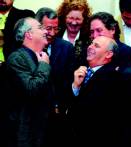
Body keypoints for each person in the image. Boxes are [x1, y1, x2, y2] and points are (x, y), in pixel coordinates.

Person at [67, 36, 122, 146]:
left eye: (96, 46)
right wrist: (75, 87)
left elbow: (90, 110)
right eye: (91, 43)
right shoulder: (80, 71)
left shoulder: (114, 77)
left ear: (109, 54)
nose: (90, 47)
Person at [5, 17, 50, 147]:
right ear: (28, 34)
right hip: (24, 133)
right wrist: (44, 66)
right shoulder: (17, 58)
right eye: (40, 28)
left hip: (40, 130)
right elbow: (32, 89)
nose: (45, 31)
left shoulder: (42, 56)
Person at [35, 7, 75, 147]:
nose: (52, 33)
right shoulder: (27, 47)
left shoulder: (66, 48)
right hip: (33, 113)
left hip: (57, 114)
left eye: (56, 29)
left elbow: (68, 80)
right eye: (48, 28)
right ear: (37, 26)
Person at [57, 0, 92, 65]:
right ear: (64, 17)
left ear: (84, 20)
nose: (74, 22)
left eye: (78, 19)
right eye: (71, 18)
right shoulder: (56, 35)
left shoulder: (89, 39)